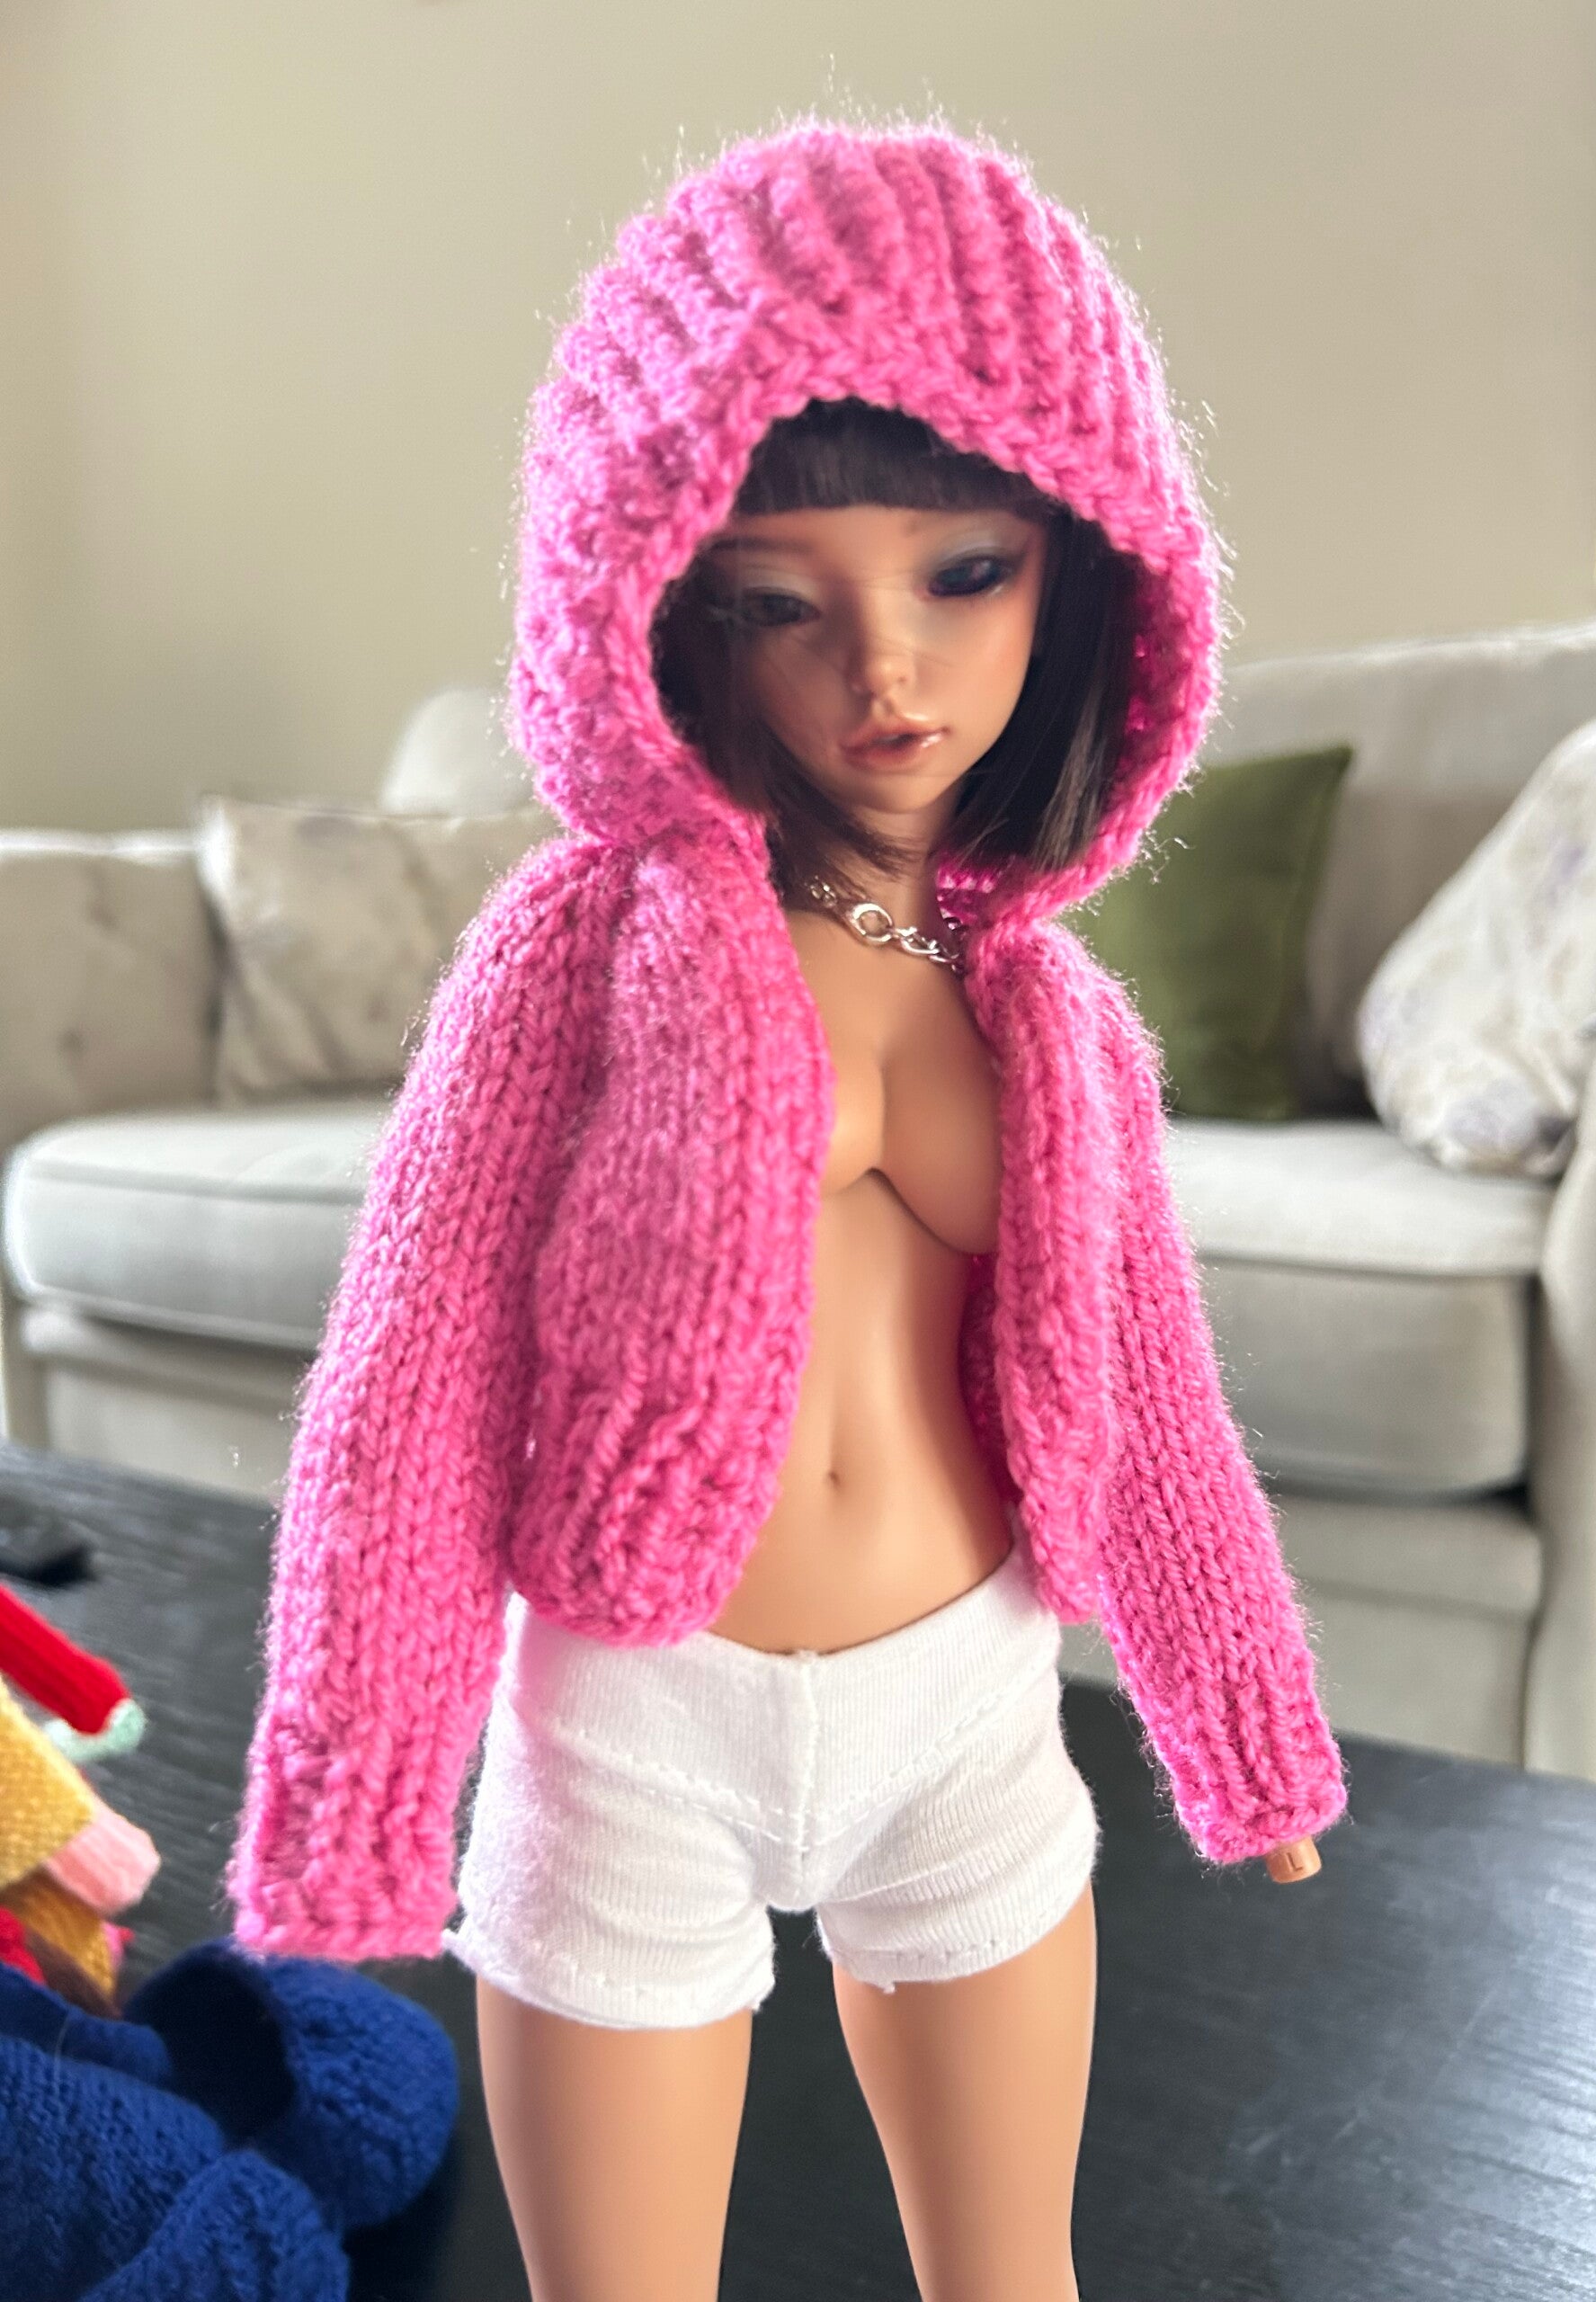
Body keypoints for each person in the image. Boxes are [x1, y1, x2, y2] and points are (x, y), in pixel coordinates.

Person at [224, 117, 1350, 2302]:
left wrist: (1242, 1714)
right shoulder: (576, 954)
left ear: (1088, 568)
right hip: (640, 1724)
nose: (885, 672)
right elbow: (412, 1378)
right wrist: (363, 1785)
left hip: (969, 1711)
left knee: (1010, 2270)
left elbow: (1148, 1396)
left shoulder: (1058, 1021)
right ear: (659, 604)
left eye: (965, 571)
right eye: (778, 599)